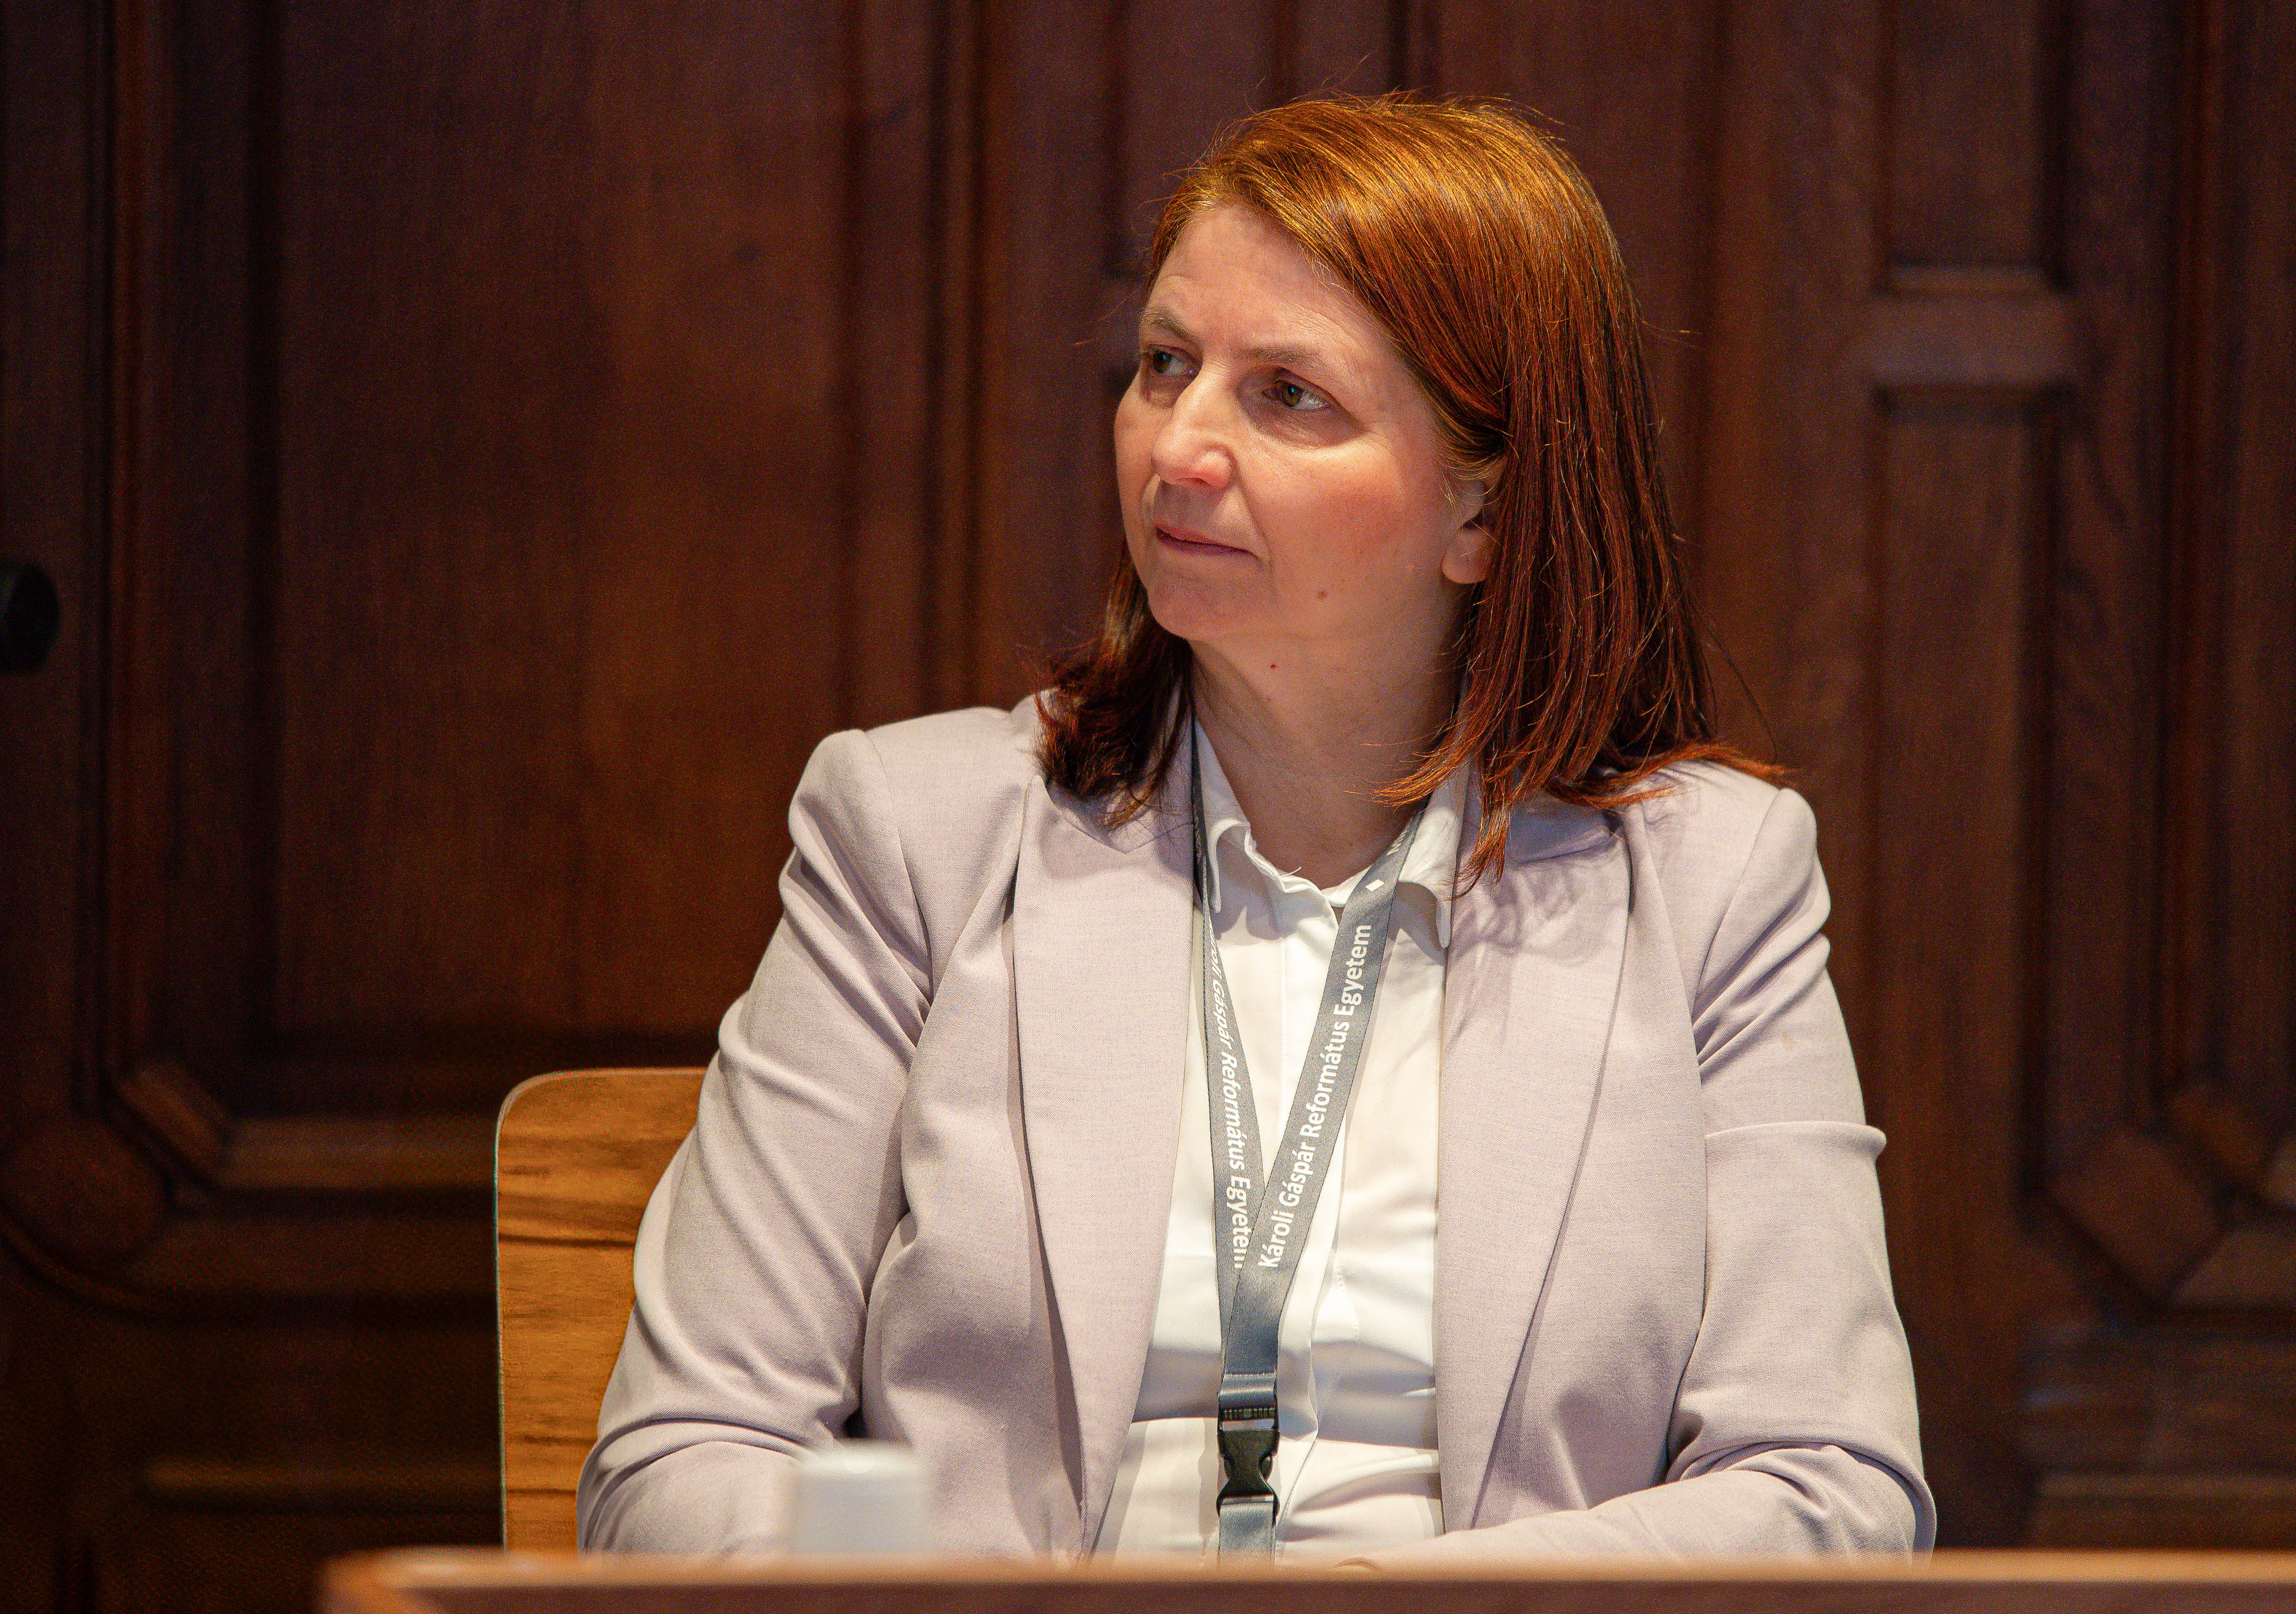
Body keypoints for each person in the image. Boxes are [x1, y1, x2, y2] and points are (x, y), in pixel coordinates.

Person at [577, 92, 1931, 1564]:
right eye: (1165, 366)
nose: (1178, 447)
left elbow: (1828, 1489)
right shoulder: (918, 835)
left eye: (1288, 396)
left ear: (1484, 515)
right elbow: (679, 1462)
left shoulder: (1711, 883)